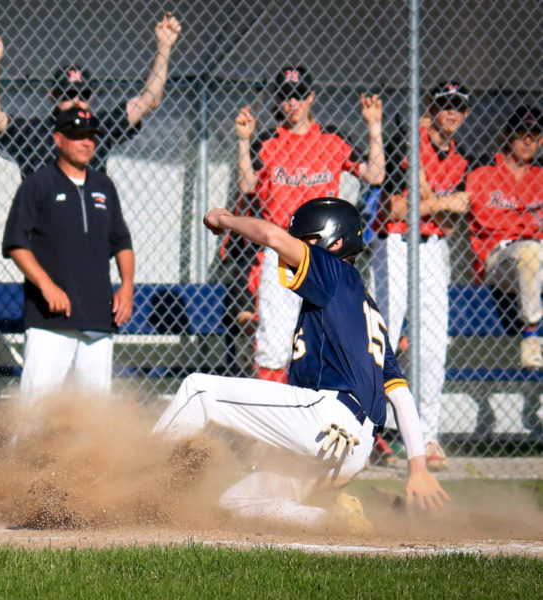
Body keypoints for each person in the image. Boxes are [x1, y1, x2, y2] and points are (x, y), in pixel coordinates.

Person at [153, 198, 449, 533]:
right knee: (236, 504)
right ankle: (334, 521)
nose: (297, 245)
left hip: (327, 419)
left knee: (199, 389)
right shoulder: (369, 314)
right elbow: (400, 395)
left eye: (306, 240)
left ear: (334, 243)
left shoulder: (335, 272)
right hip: (354, 450)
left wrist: (226, 219)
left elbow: (273, 237)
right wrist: (418, 468)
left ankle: (141, 486)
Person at [233, 65, 384, 382]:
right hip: (281, 253)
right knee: (274, 345)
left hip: (324, 254)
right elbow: (247, 184)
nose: (292, 103)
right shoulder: (268, 141)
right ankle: (268, 423)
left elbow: (375, 175)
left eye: (299, 95)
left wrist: (374, 126)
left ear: (311, 97)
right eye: (286, 96)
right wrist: (243, 142)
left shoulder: (332, 139)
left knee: (327, 340)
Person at [370, 80, 472, 471]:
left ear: (464, 114)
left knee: (432, 346)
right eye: (444, 103)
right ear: (432, 106)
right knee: (384, 336)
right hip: (394, 245)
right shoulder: (405, 141)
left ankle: (427, 436)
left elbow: (460, 210)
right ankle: (367, 427)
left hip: (433, 251)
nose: (451, 112)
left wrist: (427, 200)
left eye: (458, 106)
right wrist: (438, 204)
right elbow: (396, 209)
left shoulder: (460, 160)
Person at [2, 107, 134, 406]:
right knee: (35, 409)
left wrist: (127, 286)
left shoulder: (104, 186)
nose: (86, 143)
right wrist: (47, 286)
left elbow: (121, 240)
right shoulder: (38, 184)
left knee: (95, 414)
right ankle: (23, 456)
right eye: (77, 136)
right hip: (51, 320)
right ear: (59, 139)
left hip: (98, 317)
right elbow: (15, 243)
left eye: (90, 137)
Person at [0, 12, 181, 178]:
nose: (77, 101)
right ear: (53, 96)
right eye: (69, 94)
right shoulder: (34, 132)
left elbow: (149, 100)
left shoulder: (99, 128)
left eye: (84, 94)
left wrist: (164, 46)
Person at [466, 106, 543, 375]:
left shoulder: (540, 177)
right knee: (531, 251)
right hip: (499, 260)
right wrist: (528, 225)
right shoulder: (483, 173)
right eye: (522, 133)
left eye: (535, 135)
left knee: (534, 251)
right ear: (509, 136)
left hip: (535, 257)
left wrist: (517, 223)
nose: (528, 141)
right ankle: (532, 335)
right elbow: (484, 218)